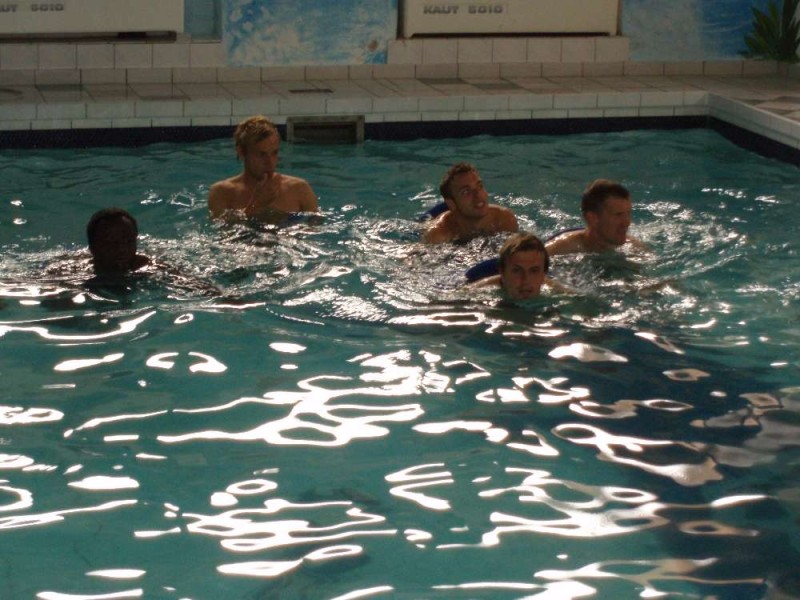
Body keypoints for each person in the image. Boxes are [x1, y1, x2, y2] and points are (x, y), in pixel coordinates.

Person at [208, 115, 318, 223]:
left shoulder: (299, 189)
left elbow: (316, 228)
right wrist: (257, 205)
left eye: (274, 153)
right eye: (261, 155)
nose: (270, 162)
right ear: (241, 152)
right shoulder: (221, 193)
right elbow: (223, 231)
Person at [422, 162, 518, 244]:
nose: (478, 195)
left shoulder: (503, 219)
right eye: (466, 192)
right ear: (451, 204)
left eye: (479, 186)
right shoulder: (438, 233)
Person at [545, 179, 646, 256]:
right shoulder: (558, 250)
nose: (627, 222)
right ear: (592, 219)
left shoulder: (635, 249)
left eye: (628, 213)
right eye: (618, 215)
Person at [470, 232, 559, 300]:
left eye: (534, 271)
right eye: (517, 271)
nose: (525, 280)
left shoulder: (558, 293)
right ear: (502, 272)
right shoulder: (475, 293)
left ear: (544, 274)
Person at [86, 207, 151, 275]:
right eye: (110, 243)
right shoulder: (82, 273)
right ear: (92, 247)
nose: (121, 249)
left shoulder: (148, 268)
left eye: (128, 241)